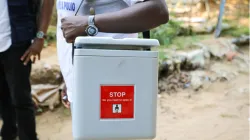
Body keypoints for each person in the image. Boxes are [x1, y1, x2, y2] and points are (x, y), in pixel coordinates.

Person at [58, 0, 169, 109]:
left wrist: (89, 23)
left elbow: (158, 10)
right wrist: (69, 77)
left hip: (112, 86)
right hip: (80, 83)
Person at [0, 0, 54, 140]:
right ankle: (8, 134)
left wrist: (40, 37)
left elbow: (48, 1)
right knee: (3, 99)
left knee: (20, 99)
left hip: (17, 42)